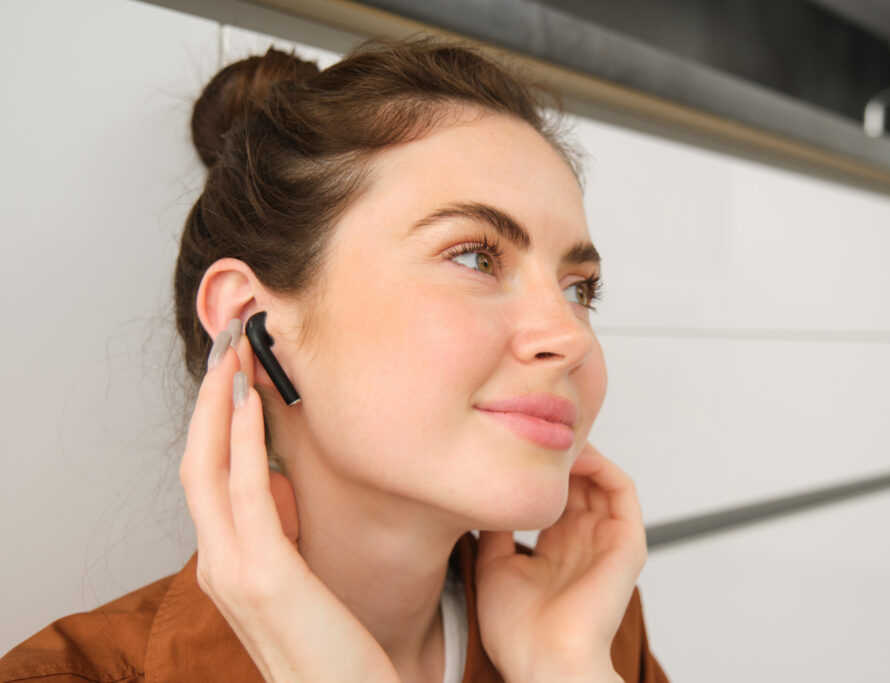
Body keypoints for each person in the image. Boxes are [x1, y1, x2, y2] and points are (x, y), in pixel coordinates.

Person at [0, 35, 668, 682]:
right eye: (475, 256)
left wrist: (566, 671)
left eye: (579, 289)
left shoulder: (588, 629)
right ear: (248, 322)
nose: (572, 337)